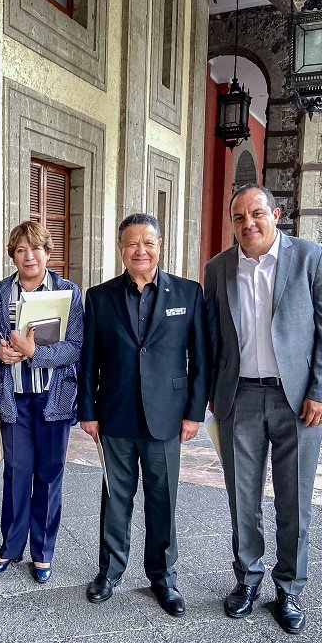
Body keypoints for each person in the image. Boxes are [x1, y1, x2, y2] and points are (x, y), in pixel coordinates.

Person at [203, 183, 322, 635]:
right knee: (242, 497)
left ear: (275, 214)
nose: (248, 223)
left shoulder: (310, 258)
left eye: (257, 214)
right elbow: (211, 335)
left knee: (294, 499)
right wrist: (211, 391)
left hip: (298, 400)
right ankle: (247, 579)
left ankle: (289, 587)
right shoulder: (218, 268)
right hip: (240, 397)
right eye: (239, 217)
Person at [78, 213, 209, 616]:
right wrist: (88, 410)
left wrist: (194, 413)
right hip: (114, 414)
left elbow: (200, 358)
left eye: (148, 242)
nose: (140, 250)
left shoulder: (188, 293)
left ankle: (163, 577)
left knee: (162, 500)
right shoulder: (99, 297)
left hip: (166, 416)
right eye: (132, 243)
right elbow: (89, 360)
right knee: (115, 498)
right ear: (121, 248)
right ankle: (109, 572)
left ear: (159, 245)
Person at [0, 221, 83, 583]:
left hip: (54, 399)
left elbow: (75, 346)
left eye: (36, 248)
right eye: (21, 250)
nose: (29, 256)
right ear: (13, 255)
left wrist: (34, 353)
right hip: (14, 399)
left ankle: (42, 552)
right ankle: (10, 547)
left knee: (49, 476)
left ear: (47, 252)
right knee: (16, 474)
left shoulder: (67, 291)